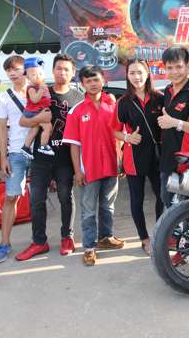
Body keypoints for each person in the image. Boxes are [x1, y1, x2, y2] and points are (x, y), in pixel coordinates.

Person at [16, 54, 83, 261]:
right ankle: (39, 242)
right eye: (58, 68)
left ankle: (67, 237)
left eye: (66, 69)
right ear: (52, 71)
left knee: (65, 197)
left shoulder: (79, 98)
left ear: (73, 73)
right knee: (36, 200)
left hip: (65, 159)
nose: (62, 72)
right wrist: (41, 118)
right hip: (41, 158)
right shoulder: (42, 90)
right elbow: (23, 121)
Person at [63, 66, 124, 266]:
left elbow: (121, 137)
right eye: (88, 81)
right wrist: (77, 171)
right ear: (82, 84)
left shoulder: (113, 106)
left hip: (111, 166)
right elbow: (74, 145)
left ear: (103, 80)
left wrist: (121, 161)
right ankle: (89, 247)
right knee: (88, 210)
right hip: (89, 169)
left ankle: (106, 237)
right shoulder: (76, 111)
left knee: (108, 205)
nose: (92, 84)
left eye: (95, 79)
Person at [111, 58, 164, 255]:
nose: (136, 77)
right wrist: (127, 137)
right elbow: (114, 130)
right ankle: (145, 239)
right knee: (137, 200)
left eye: (140, 72)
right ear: (127, 76)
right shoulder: (123, 103)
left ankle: (160, 234)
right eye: (132, 73)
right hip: (134, 158)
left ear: (148, 74)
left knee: (162, 197)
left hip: (158, 156)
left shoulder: (160, 98)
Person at [157, 47, 189, 207]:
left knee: (184, 211)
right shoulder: (168, 90)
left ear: (187, 66)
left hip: (185, 164)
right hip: (167, 160)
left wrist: (176, 123)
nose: (175, 72)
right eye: (170, 68)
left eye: (179, 67)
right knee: (167, 203)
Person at [0, 55, 30, 263]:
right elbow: (1, 128)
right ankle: (4, 243)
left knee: (42, 198)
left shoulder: (39, 90)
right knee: (10, 196)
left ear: (26, 69)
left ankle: (43, 240)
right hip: (16, 152)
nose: (12, 73)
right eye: (8, 70)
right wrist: (3, 157)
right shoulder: (4, 97)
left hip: (40, 150)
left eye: (16, 68)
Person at [20, 57, 54, 158]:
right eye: (34, 75)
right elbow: (34, 100)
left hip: (37, 111)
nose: (38, 76)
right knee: (48, 127)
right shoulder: (32, 88)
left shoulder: (41, 86)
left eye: (40, 73)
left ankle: (26, 147)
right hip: (34, 112)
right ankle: (43, 146)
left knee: (34, 129)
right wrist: (40, 91)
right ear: (27, 77)